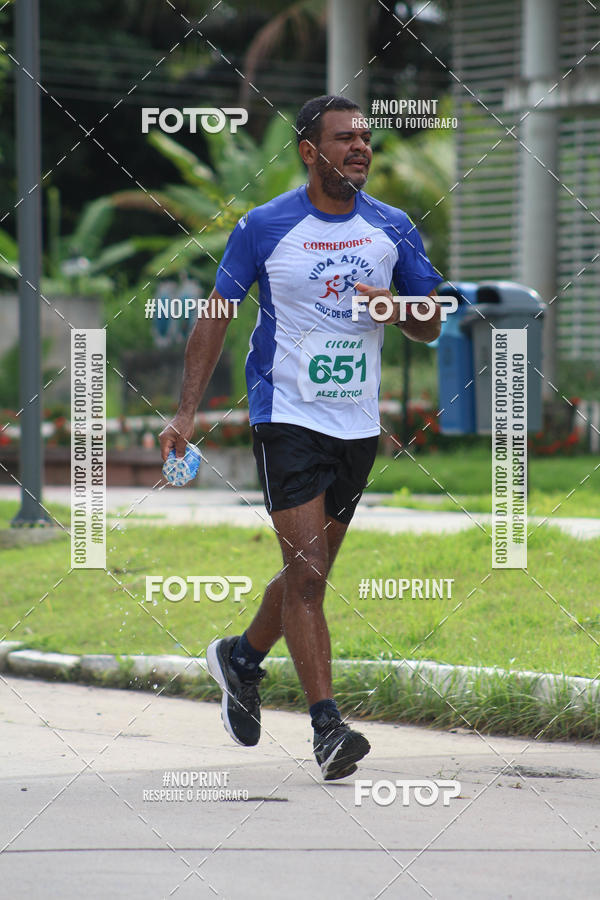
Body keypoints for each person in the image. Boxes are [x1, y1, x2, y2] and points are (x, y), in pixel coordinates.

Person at [159, 94, 442, 781]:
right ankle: (327, 728)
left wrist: (398, 307)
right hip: (285, 415)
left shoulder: (393, 226)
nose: (361, 147)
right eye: (345, 138)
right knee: (309, 573)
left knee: (305, 573)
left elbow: (431, 320)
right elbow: (216, 315)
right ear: (310, 152)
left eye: (365, 137)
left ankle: (241, 659)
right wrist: (186, 413)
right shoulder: (264, 226)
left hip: (356, 423)